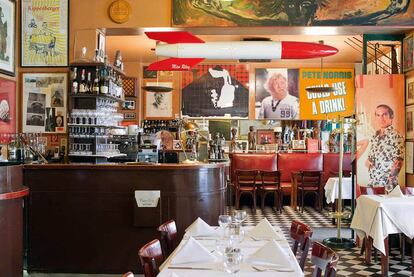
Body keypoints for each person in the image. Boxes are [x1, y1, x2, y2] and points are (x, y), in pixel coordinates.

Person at [364, 104, 404, 187]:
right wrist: (368, 161)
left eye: (384, 115)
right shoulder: (375, 136)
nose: (381, 118)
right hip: (373, 183)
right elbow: (370, 158)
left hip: (387, 185)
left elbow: (399, 162)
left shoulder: (396, 136)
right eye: (378, 115)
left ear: (391, 116)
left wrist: (389, 185)